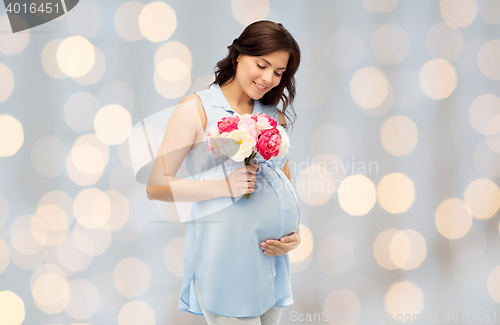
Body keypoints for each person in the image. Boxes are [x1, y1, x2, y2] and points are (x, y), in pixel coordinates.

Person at [146, 20, 302, 325]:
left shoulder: (273, 114)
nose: (269, 78)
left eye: (279, 73)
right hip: (226, 262)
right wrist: (223, 186)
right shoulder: (196, 109)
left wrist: (295, 234)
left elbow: (285, 184)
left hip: (271, 261)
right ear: (239, 54)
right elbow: (156, 185)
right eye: (262, 64)